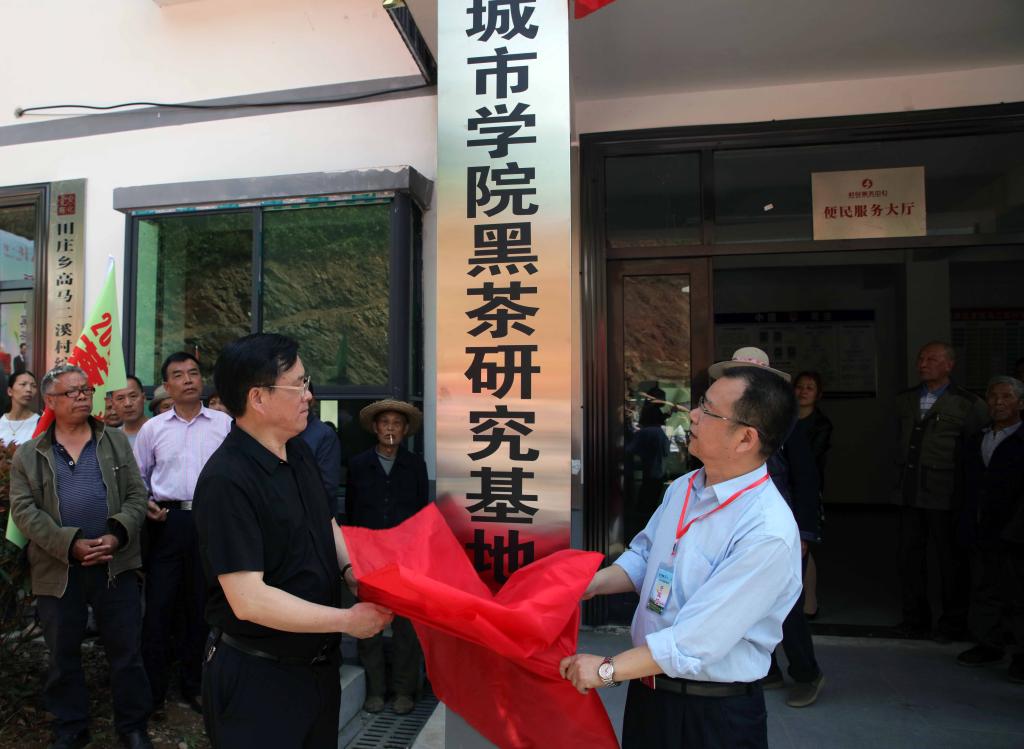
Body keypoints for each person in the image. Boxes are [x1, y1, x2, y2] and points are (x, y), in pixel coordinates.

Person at [560, 366, 802, 749]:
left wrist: (607, 670)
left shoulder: (766, 531)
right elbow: (645, 556)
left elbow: (696, 642)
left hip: (712, 714)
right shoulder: (685, 487)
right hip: (650, 693)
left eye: (709, 410)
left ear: (745, 438)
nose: (693, 414)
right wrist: (589, 585)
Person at [193, 333, 392, 748]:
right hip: (259, 679)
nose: (309, 395)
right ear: (258, 398)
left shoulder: (297, 450)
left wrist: (349, 570)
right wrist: (346, 621)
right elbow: (249, 599)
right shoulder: (226, 480)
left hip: (317, 672)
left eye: (307, 382)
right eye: (298, 385)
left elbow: (325, 520)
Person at [9, 365, 154, 749]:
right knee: (62, 654)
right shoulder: (30, 453)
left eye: (86, 390)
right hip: (58, 569)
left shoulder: (115, 441)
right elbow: (23, 511)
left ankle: (132, 726)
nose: (81, 397)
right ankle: (71, 726)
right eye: (71, 392)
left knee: (126, 651)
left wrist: (117, 533)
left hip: (115, 565)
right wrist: (68, 543)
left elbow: (137, 495)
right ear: (50, 401)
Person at [710, 349, 824, 707]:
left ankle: (807, 674)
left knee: (786, 606)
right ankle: (769, 669)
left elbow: (806, 479)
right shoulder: (721, 419)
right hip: (734, 523)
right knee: (745, 601)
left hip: (778, 526)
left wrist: (804, 532)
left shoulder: (785, 422)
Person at [133, 353, 232, 715]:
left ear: (202, 380)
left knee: (201, 608)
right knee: (158, 610)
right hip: (167, 523)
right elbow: (138, 479)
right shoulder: (153, 429)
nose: (188, 380)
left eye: (193, 373)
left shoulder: (225, 424)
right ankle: (152, 694)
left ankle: (194, 685)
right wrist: (146, 503)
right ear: (166, 386)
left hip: (210, 522)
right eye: (178, 375)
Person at [894, 341, 989, 640]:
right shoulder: (906, 400)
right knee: (909, 559)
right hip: (910, 493)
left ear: (949, 365)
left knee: (951, 562)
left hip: (946, 495)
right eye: (921, 359)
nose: (923, 364)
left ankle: (953, 622)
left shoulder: (967, 403)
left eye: (932, 359)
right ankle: (915, 619)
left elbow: (977, 450)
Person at [346, 399, 429, 715]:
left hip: (406, 558)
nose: (390, 428)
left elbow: (422, 514)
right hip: (369, 557)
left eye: (397, 423)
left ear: (405, 430)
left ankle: (404, 691)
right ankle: (375, 690)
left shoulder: (415, 465)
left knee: (407, 626)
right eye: (385, 423)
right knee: (369, 623)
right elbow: (352, 511)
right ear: (375, 428)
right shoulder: (359, 465)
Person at [956, 376, 1024, 682]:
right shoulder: (977, 438)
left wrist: (1015, 529)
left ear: (1020, 403)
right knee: (984, 588)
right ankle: (989, 644)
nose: (998, 402)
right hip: (981, 528)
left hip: (1015, 531)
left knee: (1018, 594)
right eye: (993, 396)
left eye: (1007, 396)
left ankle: (1021, 654)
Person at [793, 371, 833, 620]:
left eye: (809, 387)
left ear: (818, 394)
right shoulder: (784, 419)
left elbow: (808, 460)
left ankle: (809, 603)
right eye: (800, 386)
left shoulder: (821, 424)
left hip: (806, 489)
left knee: (803, 545)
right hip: (782, 488)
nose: (803, 391)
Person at [299, 387, 342, 515]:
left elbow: (328, 487)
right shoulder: (286, 431)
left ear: (311, 400)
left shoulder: (324, 434)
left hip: (315, 516)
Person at [0, 369, 39, 446]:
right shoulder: (1, 421)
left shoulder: (39, 423)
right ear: (10, 391)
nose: (29, 389)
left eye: (33, 386)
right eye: (23, 384)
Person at [111, 376, 148, 448]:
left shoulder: (160, 431)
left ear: (143, 398)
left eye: (133, 396)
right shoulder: (111, 439)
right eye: (120, 398)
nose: (128, 404)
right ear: (113, 404)